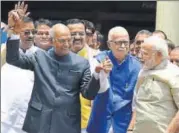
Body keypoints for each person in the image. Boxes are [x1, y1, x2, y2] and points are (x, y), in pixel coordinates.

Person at [6, 3, 101, 133]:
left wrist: (97, 75)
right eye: (62, 41)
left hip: (66, 123)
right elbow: (13, 59)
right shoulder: (39, 57)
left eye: (69, 40)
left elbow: (88, 94)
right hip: (39, 121)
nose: (67, 44)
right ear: (52, 40)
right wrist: (15, 32)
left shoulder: (81, 63)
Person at [87, 26, 141, 133]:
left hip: (123, 122)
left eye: (125, 42)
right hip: (100, 120)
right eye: (118, 42)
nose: (122, 46)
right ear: (109, 44)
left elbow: (138, 101)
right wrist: (101, 73)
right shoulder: (98, 60)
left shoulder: (138, 66)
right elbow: (91, 88)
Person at [1, 3, 38, 133]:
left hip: (30, 121)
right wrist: (12, 27)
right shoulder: (3, 52)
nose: (31, 35)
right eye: (26, 32)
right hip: (4, 121)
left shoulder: (41, 55)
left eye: (33, 32)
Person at [133, 36, 179, 133]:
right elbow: (139, 105)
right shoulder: (142, 72)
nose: (141, 57)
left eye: (145, 54)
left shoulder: (174, 74)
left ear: (159, 55)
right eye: (141, 53)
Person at [66, 18, 99, 133]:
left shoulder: (98, 59)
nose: (78, 37)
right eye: (73, 34)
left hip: (88, 124)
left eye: (81, 33)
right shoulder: (55, 58)